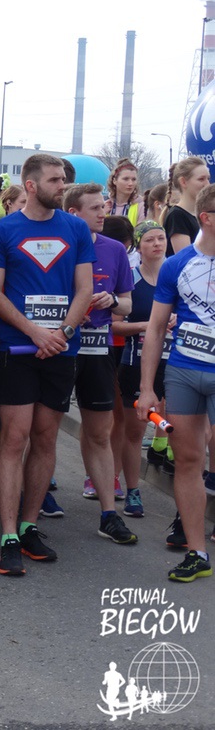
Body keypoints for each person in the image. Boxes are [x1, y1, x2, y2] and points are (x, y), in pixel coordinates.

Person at [0, 154, 94, 576]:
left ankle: (29, 526)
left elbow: (84, 289)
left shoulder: (75, 228)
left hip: (60, 349)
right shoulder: (4, 229)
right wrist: (34, 333)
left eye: (63, 179)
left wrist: (61, 333)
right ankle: (9, 534)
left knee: (45, 439)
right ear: (30, 185)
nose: (62, 185)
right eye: (54, 179)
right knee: (14, 439)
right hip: (18, 350)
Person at [138, 183, 215, 582]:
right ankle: (197, 552)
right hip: (183, 371)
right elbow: (154, 329)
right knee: (187, 461)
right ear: (206, 218)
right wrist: (147, 388)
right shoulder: (176, 265)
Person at [64, 183, 137, 545]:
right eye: (95, 208)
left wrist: (112, 301)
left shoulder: (114, 249)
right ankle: (36, 499)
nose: (103, 213)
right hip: (60, 346)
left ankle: (109, 514)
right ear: (74, 213)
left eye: (103, 207)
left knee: (99, 432)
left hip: (98, 349)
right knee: (41, 430)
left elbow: (128, 303)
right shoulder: (59, 246)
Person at [113, 220, 172, 519]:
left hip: (174, 363)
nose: (157, 244)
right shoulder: (131, 278)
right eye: (149, 239)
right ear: (139, 245)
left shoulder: (178, 276)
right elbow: (114, 325)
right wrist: (148, 326)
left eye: (161, 238)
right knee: (134, 431)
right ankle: (133, 490)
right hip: (136, 363)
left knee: (183, 430)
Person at [164, 157, 209, 256]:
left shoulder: (205, 214)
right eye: (201, 179)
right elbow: (186, 258)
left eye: (208, 179)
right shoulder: (177, 216)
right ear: (183, 182)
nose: (207, 184)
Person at [106, 158, 142, 224]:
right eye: (126, 179)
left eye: (133, 179)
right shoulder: (104, 205)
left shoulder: (142, 206)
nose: (130, 183)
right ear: (114, 180)